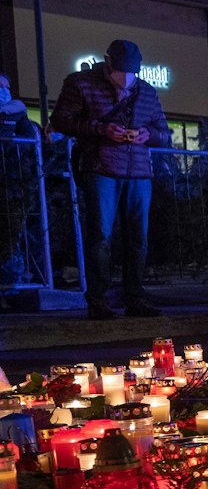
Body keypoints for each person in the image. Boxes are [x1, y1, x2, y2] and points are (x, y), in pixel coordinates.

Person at [51, 39, 170, 319]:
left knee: (137, 237)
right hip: (101, 168)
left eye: (132, 74)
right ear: (107, 64)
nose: (126, 80)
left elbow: (163, 131)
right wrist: (101, 129)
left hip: (139, 171)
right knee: (100, 236)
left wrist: (146, 136)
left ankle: (135, 298)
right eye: (121, 73)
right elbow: (60, 120)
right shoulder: (80, 83)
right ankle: (99, 301)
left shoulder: (148, 93)